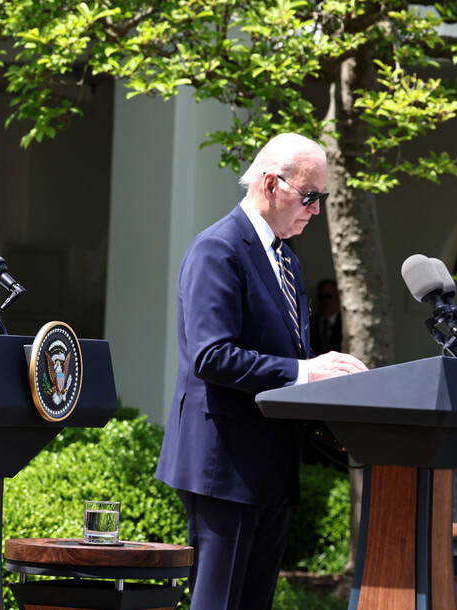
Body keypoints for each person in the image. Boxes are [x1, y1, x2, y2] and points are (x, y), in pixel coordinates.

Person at [155, 133, 367, 609]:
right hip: (224, 465)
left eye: (322, 198)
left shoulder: (287, 260)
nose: (316, 210)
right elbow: (210, 356)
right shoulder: (219, 249)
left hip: (273, 464)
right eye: (309, 195)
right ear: (271, 183)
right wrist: (306, 372)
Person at [310, 279, 342, 354]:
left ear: (338, 298)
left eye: (329, 296)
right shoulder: (309, 324)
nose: (325, 301)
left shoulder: (346, 325)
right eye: (321, 297)